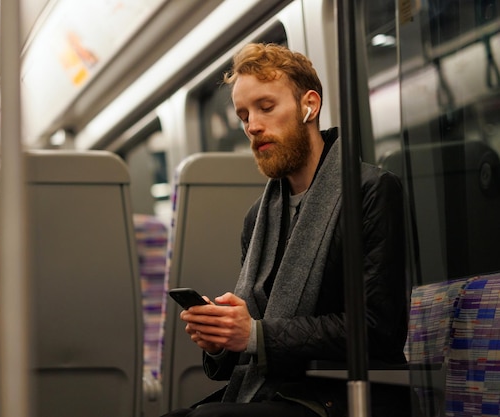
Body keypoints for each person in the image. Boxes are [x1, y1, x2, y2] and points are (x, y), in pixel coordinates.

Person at [161, 43, 413, 417]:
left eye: (266, 107)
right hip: (277, 391)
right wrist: (222, 340)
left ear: (309, 106)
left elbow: (378, 328)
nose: (253, 126)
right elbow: (250, 346)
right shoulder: (259, 218)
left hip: (344, 394)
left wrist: (253, 334)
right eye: (243, 115)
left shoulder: (371, 191)